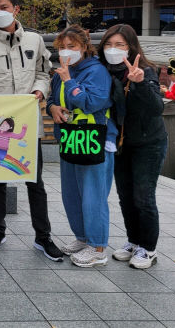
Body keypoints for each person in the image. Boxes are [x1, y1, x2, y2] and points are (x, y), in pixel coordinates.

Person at [0, 0, 63, 261]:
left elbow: (44, 72)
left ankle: (43, 237)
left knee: (35, 181)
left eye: (4, 6)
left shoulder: (34, 39)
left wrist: (40, 91)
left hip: (27, 122)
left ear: (16, 9)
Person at [98, 24, 167, 269]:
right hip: (120, 143)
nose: (113, 49)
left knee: (143, 197)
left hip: (148, 143)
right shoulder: (103, 71)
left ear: (131, 48)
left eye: (120, 45)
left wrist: (138, 82)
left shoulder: (145, 71)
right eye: (108, 44)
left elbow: (157, 108)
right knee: (125, 196)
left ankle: (148, 248)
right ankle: (133, 240)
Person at [47, 25, 115, 267]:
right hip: (71, 138)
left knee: (93, 196)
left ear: (84, 47)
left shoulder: (96, 71)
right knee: (72, 194)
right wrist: (53, 108)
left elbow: (91, 103)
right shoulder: (60, 72)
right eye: (62, 47)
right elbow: (53, 99)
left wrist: (69, 81)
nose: (66, 52)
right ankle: (82, 238)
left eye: (72, 46)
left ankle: (98, 247)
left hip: (94, 138)